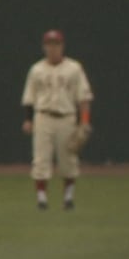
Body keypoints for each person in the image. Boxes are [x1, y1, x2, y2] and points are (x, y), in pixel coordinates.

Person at [21, 29, 94, 210]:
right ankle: (41, 198)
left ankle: (68, 197)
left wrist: (84, 121)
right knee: (40, 159)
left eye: (56, 44)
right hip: (43, 116)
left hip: (66, 117)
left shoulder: (74, 68)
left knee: (68, 159)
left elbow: (83, 97)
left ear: (62, 46)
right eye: (49, 45)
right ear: (44, 47)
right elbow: (30, 98)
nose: (53, 48)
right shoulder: (36, 69)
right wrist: (28, 120)